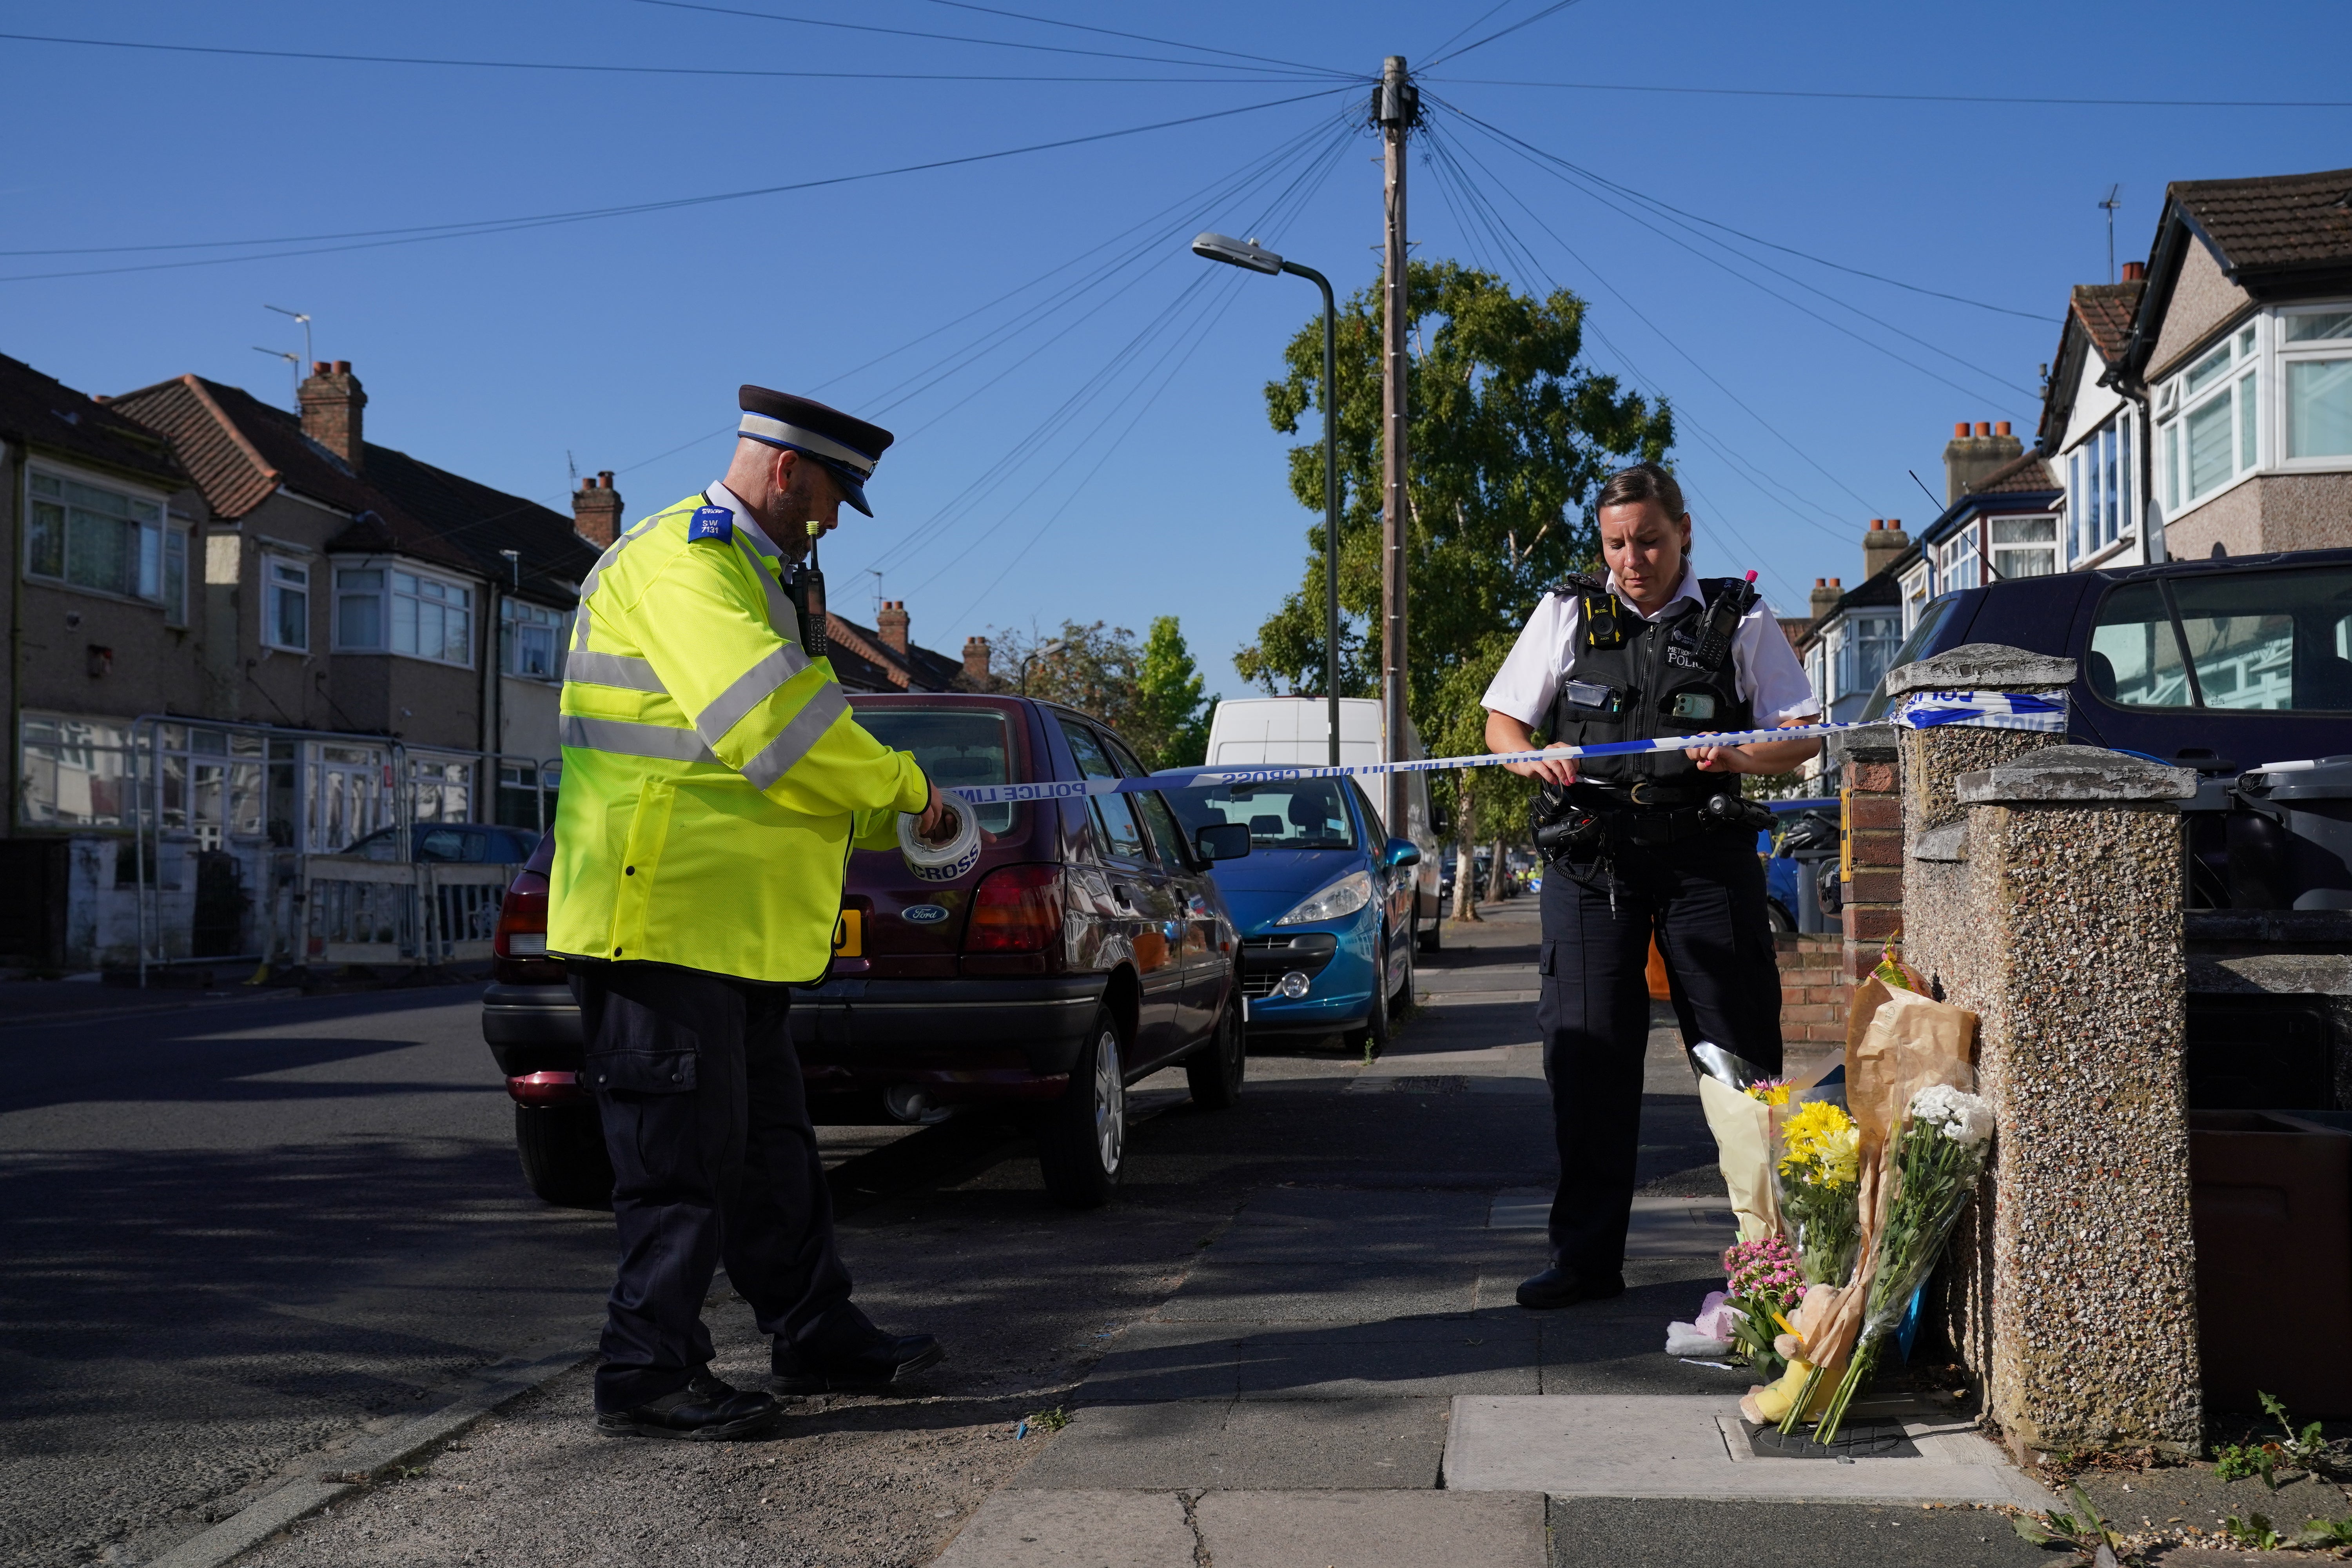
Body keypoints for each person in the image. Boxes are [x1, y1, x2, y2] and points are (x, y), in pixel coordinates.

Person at [548, 386, 955, 1439]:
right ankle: (644, 1373)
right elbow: (778, 731)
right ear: (786, 471)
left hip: (725, 932)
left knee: (771, 1158)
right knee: (681, 1168)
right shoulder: (685, 564)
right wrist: (912, 793)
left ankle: (815, 1332)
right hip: (660, 925)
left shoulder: (747, 576)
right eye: (828, 496)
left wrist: (883, 815)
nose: (829, 520)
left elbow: (779, 769)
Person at [1479, 463, 1821, 1310]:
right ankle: (1586, 1260)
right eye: (1617, 544)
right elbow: (1501, 721)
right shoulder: (1567, 610)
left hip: (1704, 857)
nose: (1632, 560)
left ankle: (1768, 1262)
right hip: (1592, 860)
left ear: (1685, 533)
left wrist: (1741, 753)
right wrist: (1531, 754)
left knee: (1738, 1058)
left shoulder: (1738, 617)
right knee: (1588, 1055)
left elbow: (1804, 736)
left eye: (1650, 541)